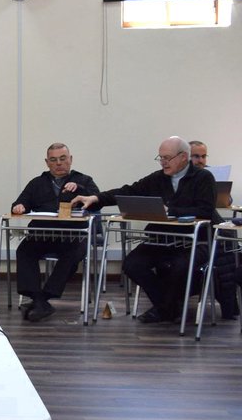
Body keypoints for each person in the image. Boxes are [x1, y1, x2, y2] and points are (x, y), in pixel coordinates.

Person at [72, 136, 221, 324]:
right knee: (132, 264)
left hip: (195, 241)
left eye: (167, 158)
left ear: (184, 157)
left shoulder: (203, 177)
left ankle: (165, 308)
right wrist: (95, 198)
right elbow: (128, 191)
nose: (163, 162)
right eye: (160, 158)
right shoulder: (157, 178)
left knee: (179, 266)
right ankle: (168, 307)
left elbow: (206, 210)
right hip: (163, 238)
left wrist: (171, 211)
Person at [10, 143, 100, 322]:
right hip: (42, 234)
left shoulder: (84, 180)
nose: (59, 163)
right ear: (47, 162)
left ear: (70, 159)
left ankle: (42, 299)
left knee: (73, 254)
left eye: (62, 159)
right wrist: (19, 207)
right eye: (53, 160)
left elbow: (97, 201)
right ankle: (38, 299)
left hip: (73, 236)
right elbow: (20, 203)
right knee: (24, 250)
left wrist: (80, 189)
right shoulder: (37, 183)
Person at [189, 140, 238, 317]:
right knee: (225, 241)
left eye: (203, 156)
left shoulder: (210, 174)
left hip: (208, 220)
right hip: (194, 225)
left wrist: (224, 196)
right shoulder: (182, 177)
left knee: (226, 238)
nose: (200, 160)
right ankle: (230, 306)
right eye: (196, 156)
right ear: (186, 157)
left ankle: (229, 305)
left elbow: (227, 202)